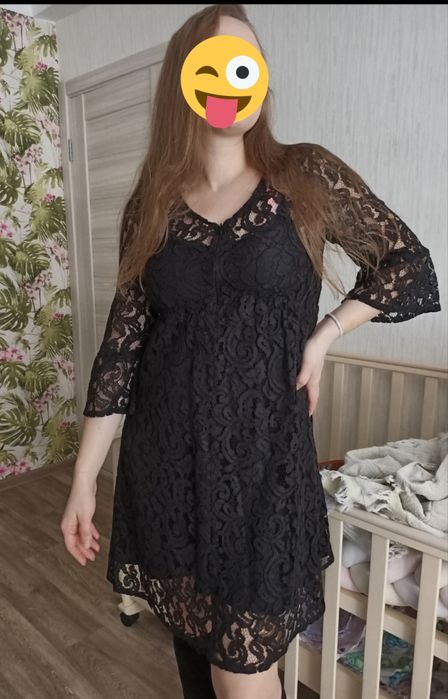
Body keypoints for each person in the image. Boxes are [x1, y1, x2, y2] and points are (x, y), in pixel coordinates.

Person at [60, 4, 442, 699]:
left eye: (246, 66)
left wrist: (327, 333)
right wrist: (85, 478)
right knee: (195, 657)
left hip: (267, 473)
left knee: (241, 671)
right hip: (167, 468)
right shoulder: (152, 203)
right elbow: (122, 351)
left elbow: (407, 264)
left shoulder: (304, 174)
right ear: (184, 82)